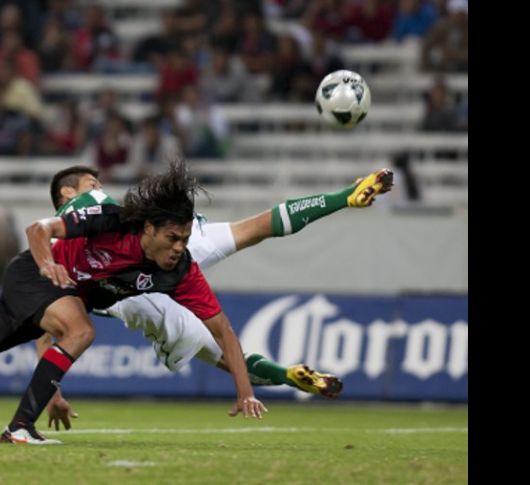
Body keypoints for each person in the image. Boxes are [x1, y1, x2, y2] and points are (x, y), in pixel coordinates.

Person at [0, 160, 269, 445]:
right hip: (33, 274)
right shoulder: (107, 217)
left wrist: (244, 392)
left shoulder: (181, 270)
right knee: (81, 330)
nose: (178, 248)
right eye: (172, 238)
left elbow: (223, 330)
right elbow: (38, 231)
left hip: (52, 296)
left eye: (185, 240)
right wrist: (47, 266)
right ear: (148, 229)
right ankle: (20, 427)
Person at [38, 164, 393, 431]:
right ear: (67, 195)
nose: (99, 188)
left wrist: (52, 394)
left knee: (213, 348)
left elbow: (45, 326)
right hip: (164, 248)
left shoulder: (121, 226)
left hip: (144, 277)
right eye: (91, 184)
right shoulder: (65, 239)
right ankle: (343, 197)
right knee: (254, 228)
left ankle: (279, 376)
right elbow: (42, 324)